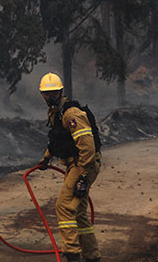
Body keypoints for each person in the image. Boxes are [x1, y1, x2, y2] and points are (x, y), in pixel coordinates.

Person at [37, 72, 102, 262]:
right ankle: (92, 256)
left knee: (64, 206)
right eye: (47, 94)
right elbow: (57, 139)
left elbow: (88, 148)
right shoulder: (56, 113)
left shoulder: (71, 114)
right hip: (76, 164)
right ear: (42, 95)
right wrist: (46, 159)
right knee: (80, 212)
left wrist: (82, 176)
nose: (51, 97)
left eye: (54, 93)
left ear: (61, 92)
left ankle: (72, 253)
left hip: (83, 164)